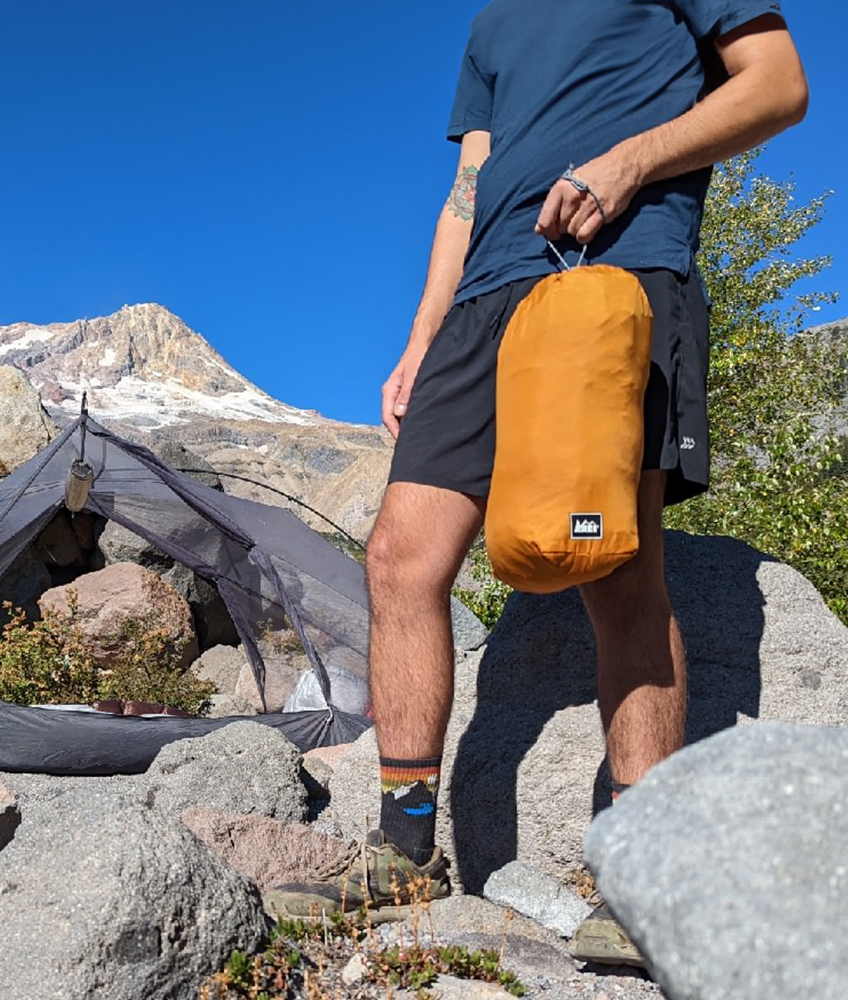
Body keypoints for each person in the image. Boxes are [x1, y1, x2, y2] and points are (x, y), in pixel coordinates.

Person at [267, 0, 808, 957]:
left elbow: (777, 85)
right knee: (399, 557)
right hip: (481, 308)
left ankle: (638, 880)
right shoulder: (493, 21)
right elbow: (466, 188)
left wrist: (631, 161)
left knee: (615, 564)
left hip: (617, 273)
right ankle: (403, 853)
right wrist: (421, 339)